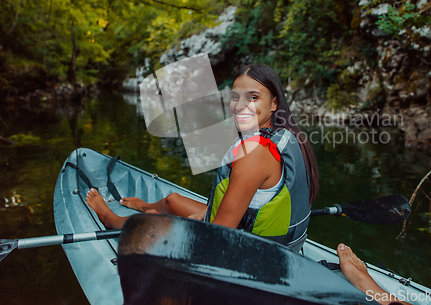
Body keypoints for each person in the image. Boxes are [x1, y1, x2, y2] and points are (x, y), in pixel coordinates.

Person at [86, 64, 319, 249]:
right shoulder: (286, 136)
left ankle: (111, 220)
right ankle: (146, 206)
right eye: (235, 97)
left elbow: (216, 238)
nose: (240, 106)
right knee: (172, 201)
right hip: (263, 240)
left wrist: (178, 227)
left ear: (274, 103)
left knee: (155, 221)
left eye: (253, 97)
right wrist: (205, 214)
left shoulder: (256, 153)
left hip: (255, 257)